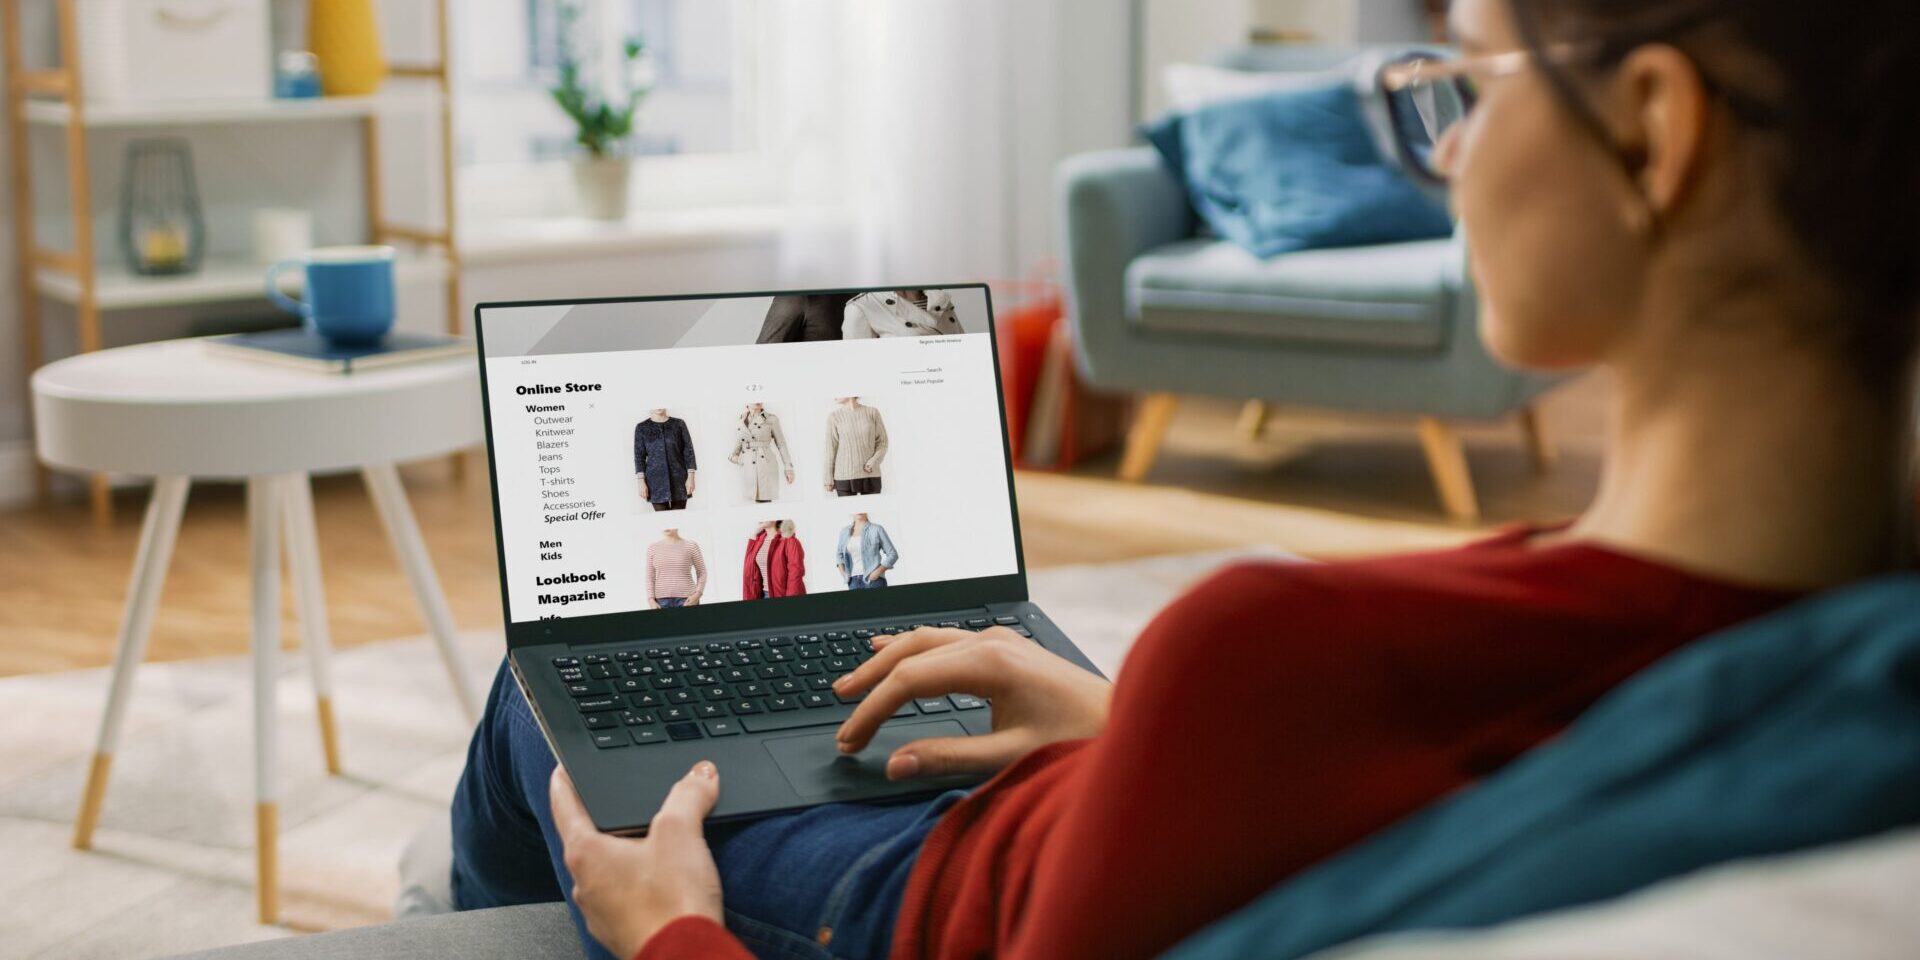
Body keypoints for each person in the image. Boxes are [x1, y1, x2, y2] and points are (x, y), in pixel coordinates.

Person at [449, 1, 1920, 958]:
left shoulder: (1277, 649)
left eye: (1467, 75)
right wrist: (1130, 733)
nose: (1456, 147)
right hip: (1095, 807)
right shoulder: (1840, 644)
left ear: (1652, 132)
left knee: (545, 693)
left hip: (919, 900)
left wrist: (671, 933)